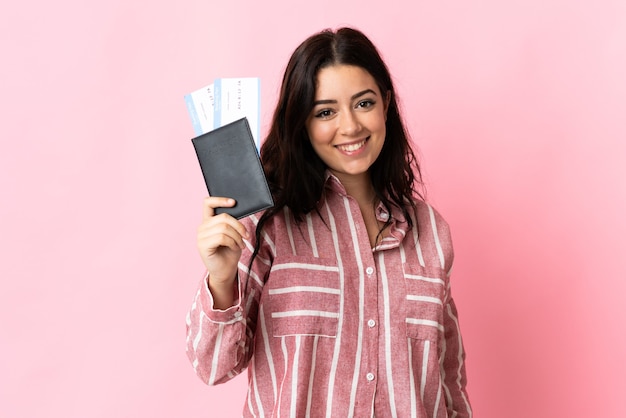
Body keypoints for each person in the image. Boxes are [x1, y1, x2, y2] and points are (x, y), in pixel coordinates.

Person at [186, 27, 472, 417]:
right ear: (302, 122)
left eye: (364, 103)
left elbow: (449, 381)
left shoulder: (431, 232)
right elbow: (213, 366)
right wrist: (221, 281)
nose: (350, 126)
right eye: (325, 112)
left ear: (386, 104)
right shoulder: (266, 224)